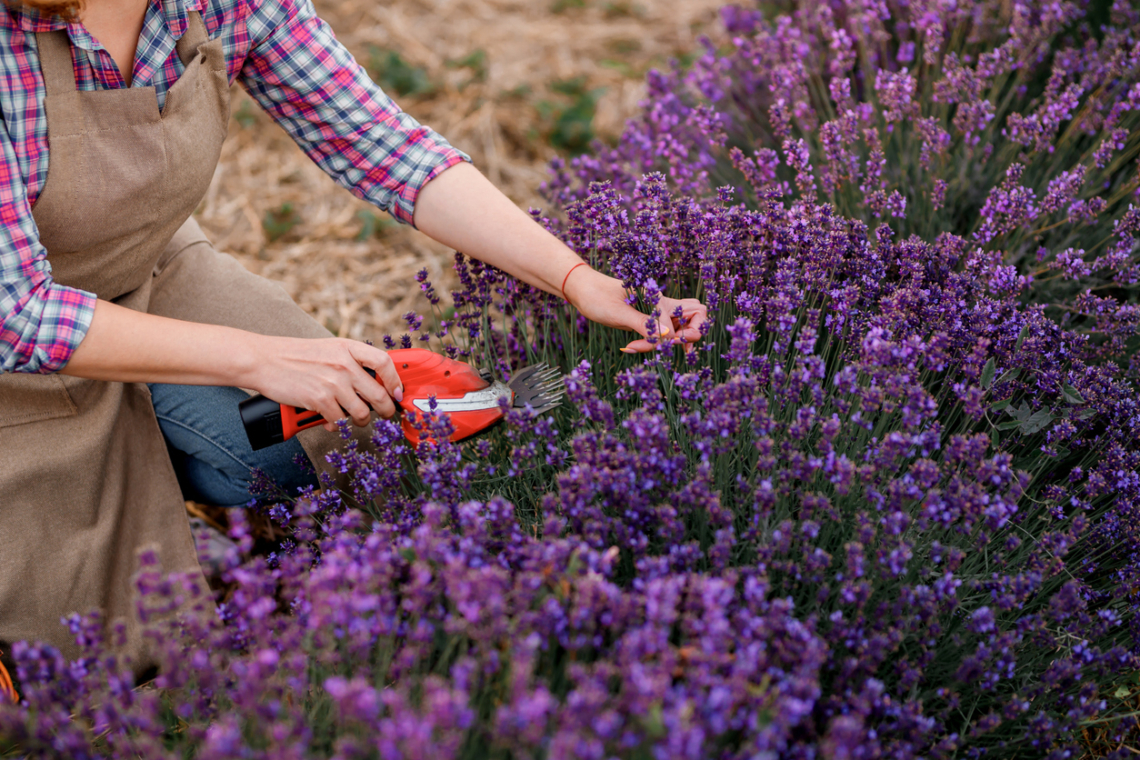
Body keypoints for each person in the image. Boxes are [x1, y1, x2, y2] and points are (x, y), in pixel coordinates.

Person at [0, 0, 707, 677]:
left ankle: (207, 513)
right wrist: (262, 358)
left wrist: (574, 277)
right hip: (14, 355)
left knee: (325, 449)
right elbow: (20, 312)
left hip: (139, 270)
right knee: (89, 656)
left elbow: (382, 145)